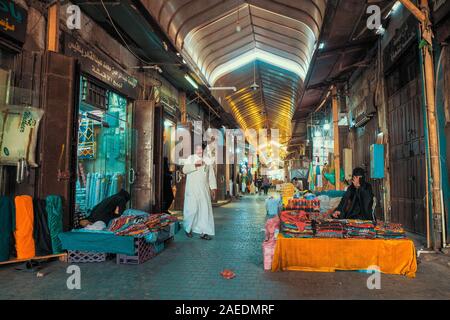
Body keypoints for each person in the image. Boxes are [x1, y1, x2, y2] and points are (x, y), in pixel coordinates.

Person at [182, 144, 217, 240]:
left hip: (204, 190)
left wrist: (213, 188)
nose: (200, 151)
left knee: (204, 211)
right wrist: (195, 165)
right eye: (198, 149)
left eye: (201, 149)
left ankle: (204, 232)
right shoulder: (191, 158)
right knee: (192, 210)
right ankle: (188, 228)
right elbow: (184, 170)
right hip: (192, 190)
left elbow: (211, 175)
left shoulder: (207, 161)